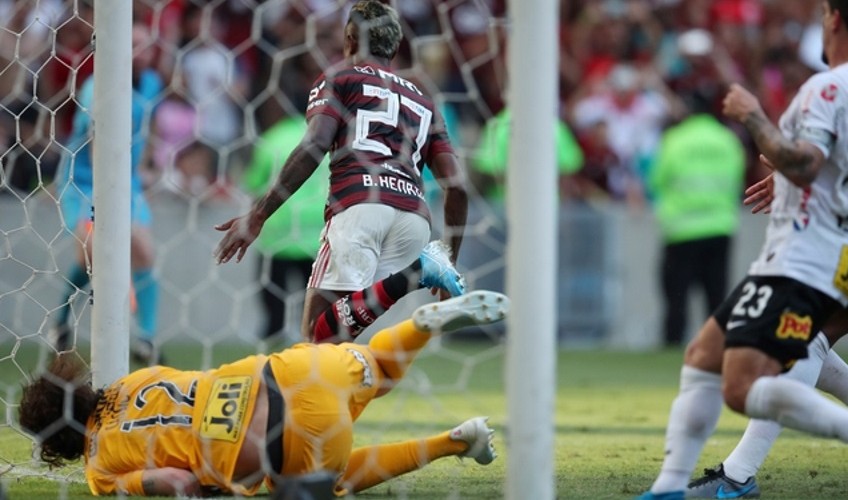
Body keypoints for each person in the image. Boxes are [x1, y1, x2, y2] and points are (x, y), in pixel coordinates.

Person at [636, 1, 848, 499]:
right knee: (740, 351)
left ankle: (740, 476)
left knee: (782, 353)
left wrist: (763, 128)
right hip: (844, 234)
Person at [18, 290, 509, 497]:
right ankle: (421, 324)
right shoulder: (127, 383)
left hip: (285, 445)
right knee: (380, 369)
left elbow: (176, 482)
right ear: (77, 390)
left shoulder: (99, 470)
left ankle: (455, 441)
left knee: (323, 485)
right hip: (292, 369)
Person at [214, 0, 469, 343]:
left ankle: (420, 270)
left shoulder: (339, 78)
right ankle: (419, 270)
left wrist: (259, 214)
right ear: (395, 47)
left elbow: (315, 145)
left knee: (315, 336)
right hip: (414, 223)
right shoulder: (425, 101)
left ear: (349, 39)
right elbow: (457, 186)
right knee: (337, 337)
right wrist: (450, 257)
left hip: (360, 209)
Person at [50, 22, 163, 364]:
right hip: (87, 181)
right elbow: (96, 140)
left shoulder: (152, 83)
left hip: (125, 182)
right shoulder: (96, 88)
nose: (142, 52)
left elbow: (146, 128)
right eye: (134, 45)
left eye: (146, 45)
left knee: (143, 252)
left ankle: (146, 339)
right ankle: (61, 323)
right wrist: (105, 196)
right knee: (91, 256)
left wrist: (142, 170)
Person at [648, 93, 745, 347]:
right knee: (716, 297)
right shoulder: (727, 140)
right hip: (719, 226)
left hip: (681, 229)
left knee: (676, 299)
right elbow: (737, 178)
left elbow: (657, 179)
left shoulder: (674, 139)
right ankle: (717, 350)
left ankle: (672, 347)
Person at [243, 111, 329, 342]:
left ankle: (272, 343)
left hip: (277, 233)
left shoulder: (272, 138)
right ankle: (312, 343)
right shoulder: (327, 136)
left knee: (274, 305)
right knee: (313, 308)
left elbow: (254, 184)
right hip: (317, 235)